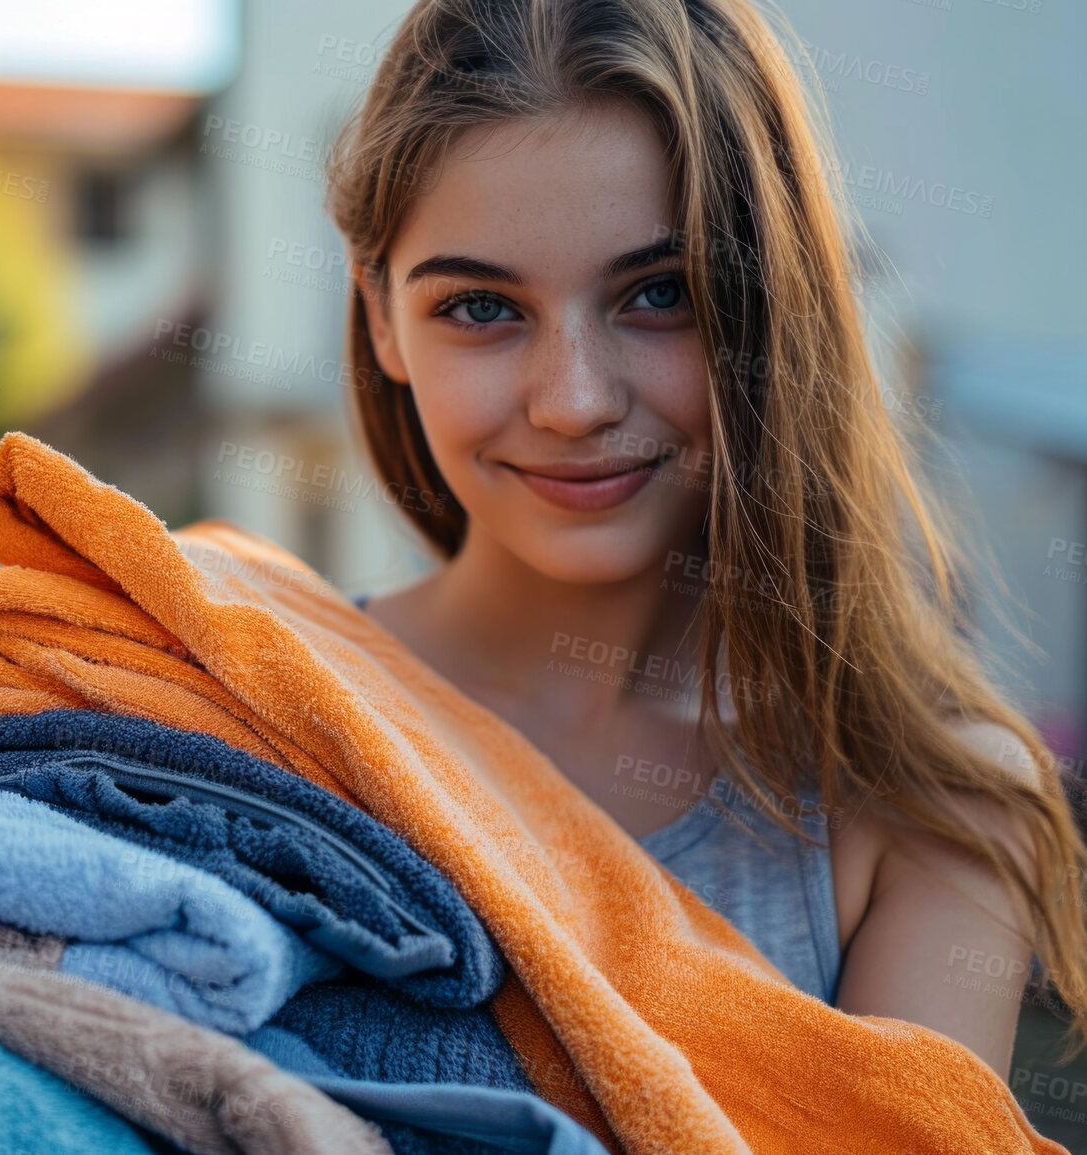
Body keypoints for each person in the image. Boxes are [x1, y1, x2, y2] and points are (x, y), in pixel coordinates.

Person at [325, 0, 1087, 1082]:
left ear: (775, 305)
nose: (575, 401)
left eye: (661, 294)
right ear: (379, 320)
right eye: (481, 309)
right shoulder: (242, 692)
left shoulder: (933, 809)